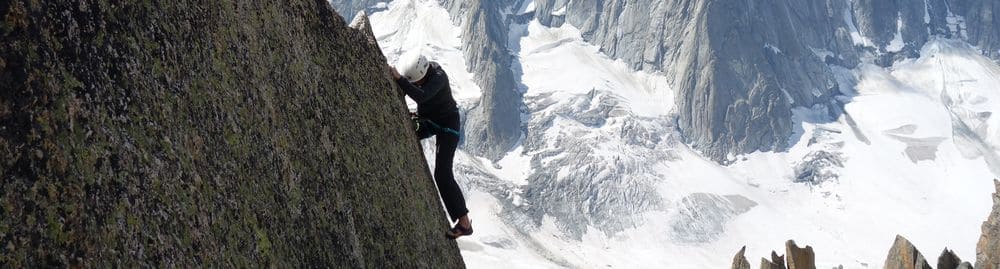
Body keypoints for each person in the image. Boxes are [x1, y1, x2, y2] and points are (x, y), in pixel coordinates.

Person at [389, 54, 472, 239]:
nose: (416, 84)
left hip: (448, 126)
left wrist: (400, 80)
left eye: (417, 82)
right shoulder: (423, 73)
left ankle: (465, 224)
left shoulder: (439, 76)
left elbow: (422, 96)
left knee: (442, 174)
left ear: (423, 75)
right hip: (430, 121)